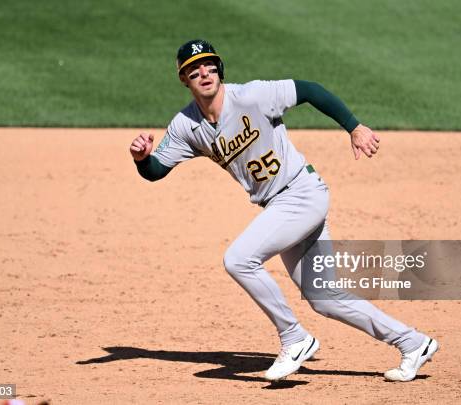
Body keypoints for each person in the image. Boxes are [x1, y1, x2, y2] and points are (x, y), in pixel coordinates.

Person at [130, 39, 438, 382]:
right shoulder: (187, 126)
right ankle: (413, 343)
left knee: (239, 259)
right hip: (282, 205)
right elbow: (157, 170)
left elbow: (309, 90)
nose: (203, 72)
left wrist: (354, 126)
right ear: (184, 79)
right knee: (324, 297)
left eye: (209, 65)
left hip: (302, 194)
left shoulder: (251, 95)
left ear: (219, 69)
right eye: (193, 69)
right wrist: (142, 158)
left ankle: (295, 338)